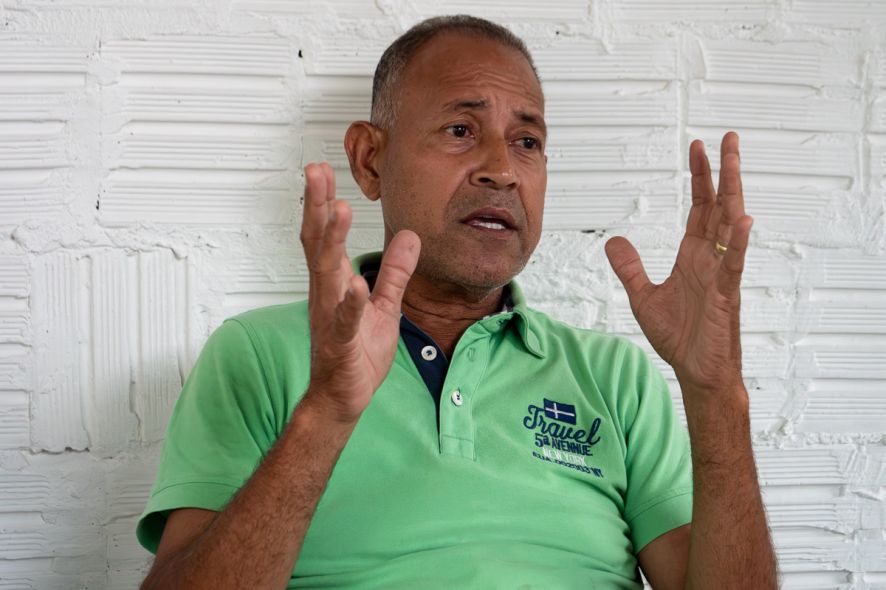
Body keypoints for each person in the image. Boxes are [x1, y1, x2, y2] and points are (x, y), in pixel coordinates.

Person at [136, 15, 778, 589]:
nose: (502, 169)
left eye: (527, 142)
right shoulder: (256, 354)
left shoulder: (616, 379)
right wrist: (327, 411)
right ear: (370, 160)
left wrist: (716, 393)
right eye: (461, 129)